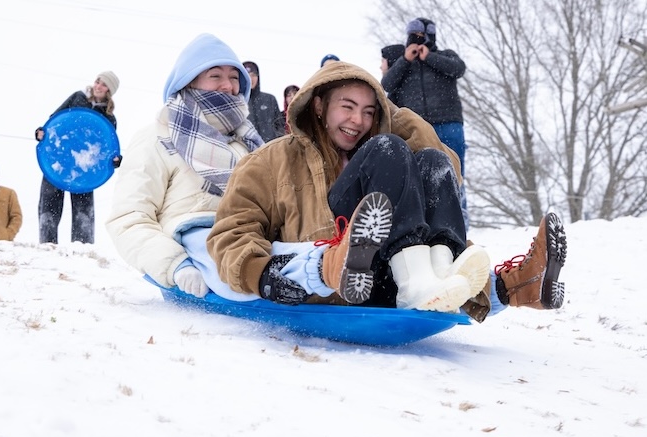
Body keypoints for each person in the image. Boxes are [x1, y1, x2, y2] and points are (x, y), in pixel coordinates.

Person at [207, 61, 567, 321]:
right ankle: (427, 283)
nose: (358, 121)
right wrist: (262, 274)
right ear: (318, 106)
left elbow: (450, 175)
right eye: (347, 107)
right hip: (334, 278)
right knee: (389, 149)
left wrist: (395, 115)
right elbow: (231, 231)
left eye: (368, 111)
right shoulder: (270, 160)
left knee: (431, 161)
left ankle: (445, 279)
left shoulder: (381, 144)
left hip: (387, 280)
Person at [106, 33, 264, 296]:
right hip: (198, 251)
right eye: (215, 76)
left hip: (256, 239)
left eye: (234, 77)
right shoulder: (157, 137)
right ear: (188, 81)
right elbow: (129, 217)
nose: (228, 85)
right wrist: (176, 265)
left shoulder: (248, 143)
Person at [381, 18, 470, 230]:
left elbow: (458, 69)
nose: (420, 41)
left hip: (448, 124)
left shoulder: (445, 55)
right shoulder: (402, 62)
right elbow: (387, 84)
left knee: (456, 173)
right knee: (420, 174)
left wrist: (429, 57)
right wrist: (405, 59)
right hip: (417, 127)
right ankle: (428, 225)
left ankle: (461, 227)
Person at [34, 71, 121, 244]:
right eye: (98, 81)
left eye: (104, 84)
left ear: (109, 91)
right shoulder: (78, 98)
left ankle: (83, 251)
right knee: (49, 206)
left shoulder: (109, 118)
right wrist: (41, 133)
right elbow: (54, 120)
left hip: (85, 168)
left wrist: (115, 161)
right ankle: (47, 246)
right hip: (59, 160)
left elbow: (106, 149)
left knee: (84, 213)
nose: (98, 86)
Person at [242, 61, 285, 142]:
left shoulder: (269, 99)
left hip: (270, 150)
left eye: (253, 75)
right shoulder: (238, 101)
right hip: (247, 151)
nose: (251, 79)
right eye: (247, 75)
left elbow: (280, 126)